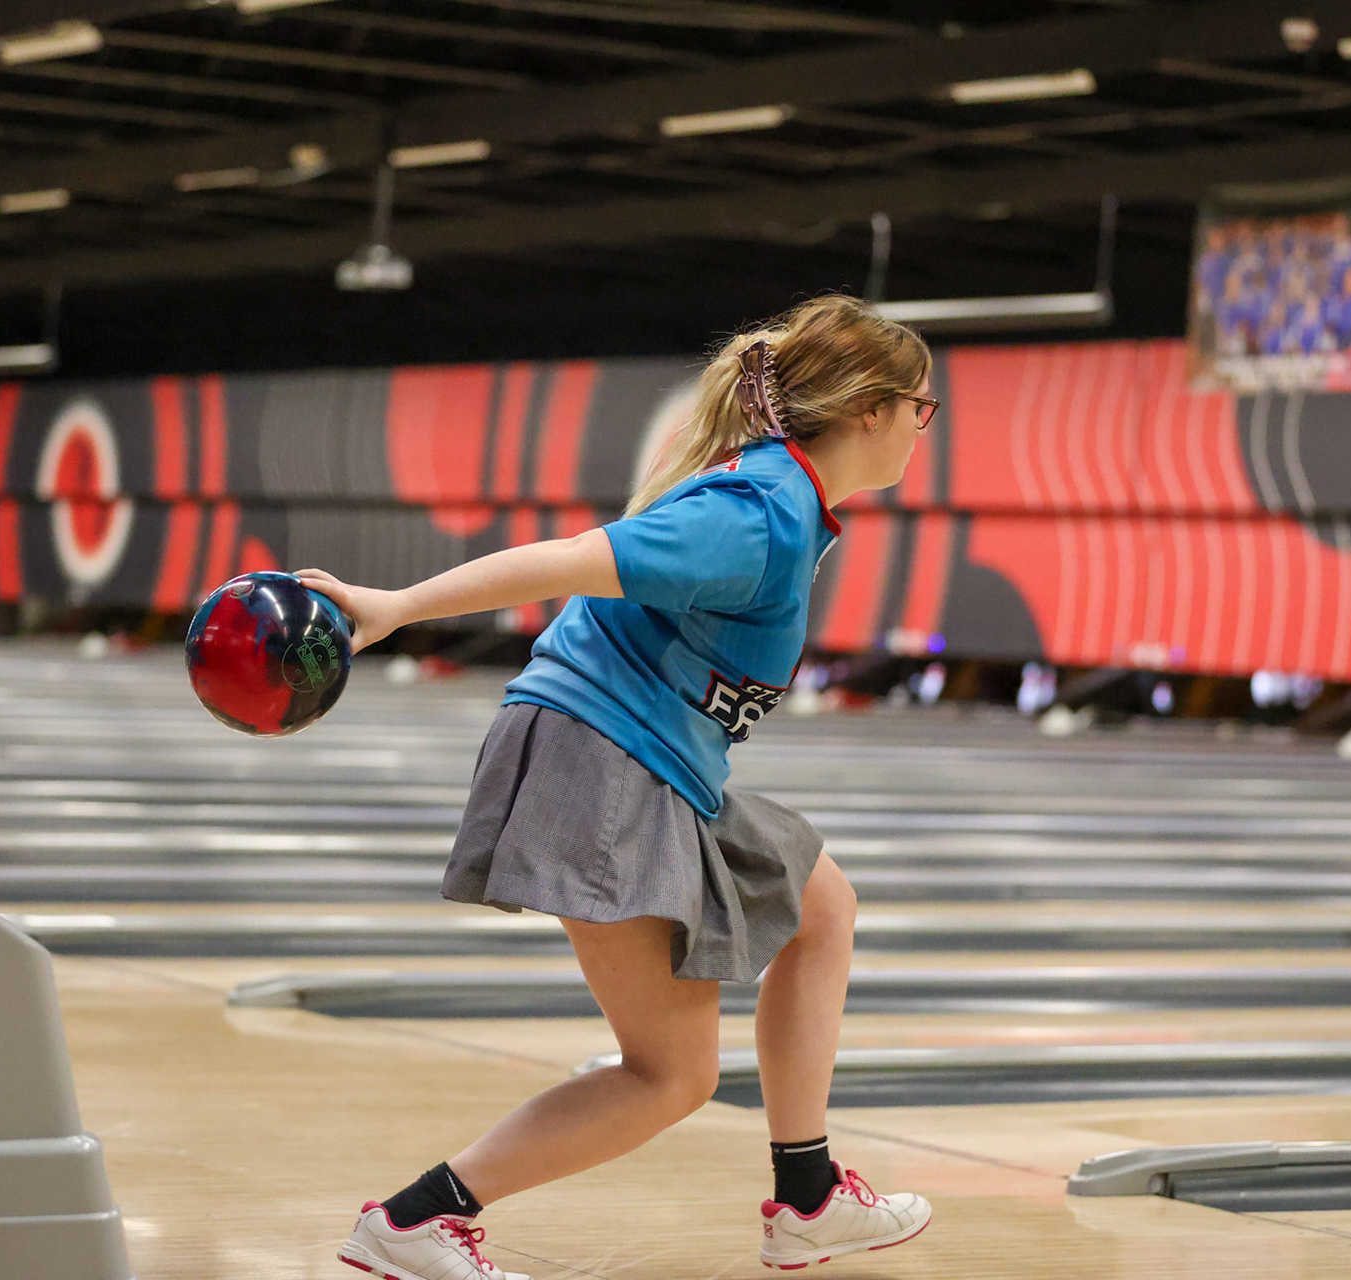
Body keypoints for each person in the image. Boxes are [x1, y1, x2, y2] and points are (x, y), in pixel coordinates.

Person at [298, 294, 938, 1279]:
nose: (921, 430)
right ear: (871, 410)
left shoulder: (788, 502)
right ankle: (417, 1219)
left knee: (823, 902)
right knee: (670, 1072)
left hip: (656, 763)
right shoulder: (756, 515)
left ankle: (807, 1195)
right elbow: (570, 562)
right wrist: (399, 608)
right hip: (600, 758)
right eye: (921, 409)